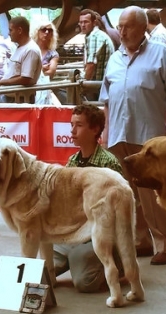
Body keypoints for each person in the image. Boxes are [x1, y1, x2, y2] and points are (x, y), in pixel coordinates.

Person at [100, 6, 166, 265]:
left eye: (128, 26)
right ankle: (141, 241)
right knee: (127, 193)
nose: (122, 32)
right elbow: (106, 100)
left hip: (150, 138)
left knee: (153, 195)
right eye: (120, 27)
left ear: (142, 27)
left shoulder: (161, 53)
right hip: (118, 136)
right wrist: (104, 133)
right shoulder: (114, 58)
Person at [53, 105, 124, 292]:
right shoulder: (72, 162)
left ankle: (118, 262)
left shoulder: (109, 163)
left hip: (100, 234)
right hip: (74, 232)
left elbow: (116, 210)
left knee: (84, 283)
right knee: (40, 270)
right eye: (71, 125)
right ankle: (76, 257)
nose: (72, 130)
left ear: (94, 129)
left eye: (79, 125)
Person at [0, 16, 42, 103]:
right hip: (13, 97)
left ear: (20, 30)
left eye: (11, 30)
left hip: (20, 100)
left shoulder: (31, 49)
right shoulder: (21, 47)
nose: (9, 33)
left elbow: (26, 78)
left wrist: (0, 82)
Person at [79, 9, 114, 82]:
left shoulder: (94, 36)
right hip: (105, 82)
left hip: (99, 85)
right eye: (81, 22)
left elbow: (91, 64)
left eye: (86, 22)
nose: (82, 25)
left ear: (94, 23)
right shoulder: (97, 35)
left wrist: (84, 83)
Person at [32, 20, 60, 105]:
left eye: (50, 30)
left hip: (44, 90)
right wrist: (41, 68)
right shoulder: (30, 49)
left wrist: (35, 70)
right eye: (43, 29)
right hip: (27, 89)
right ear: (37, 31)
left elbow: (50, 72)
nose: (47, 32)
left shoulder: (53, 54)